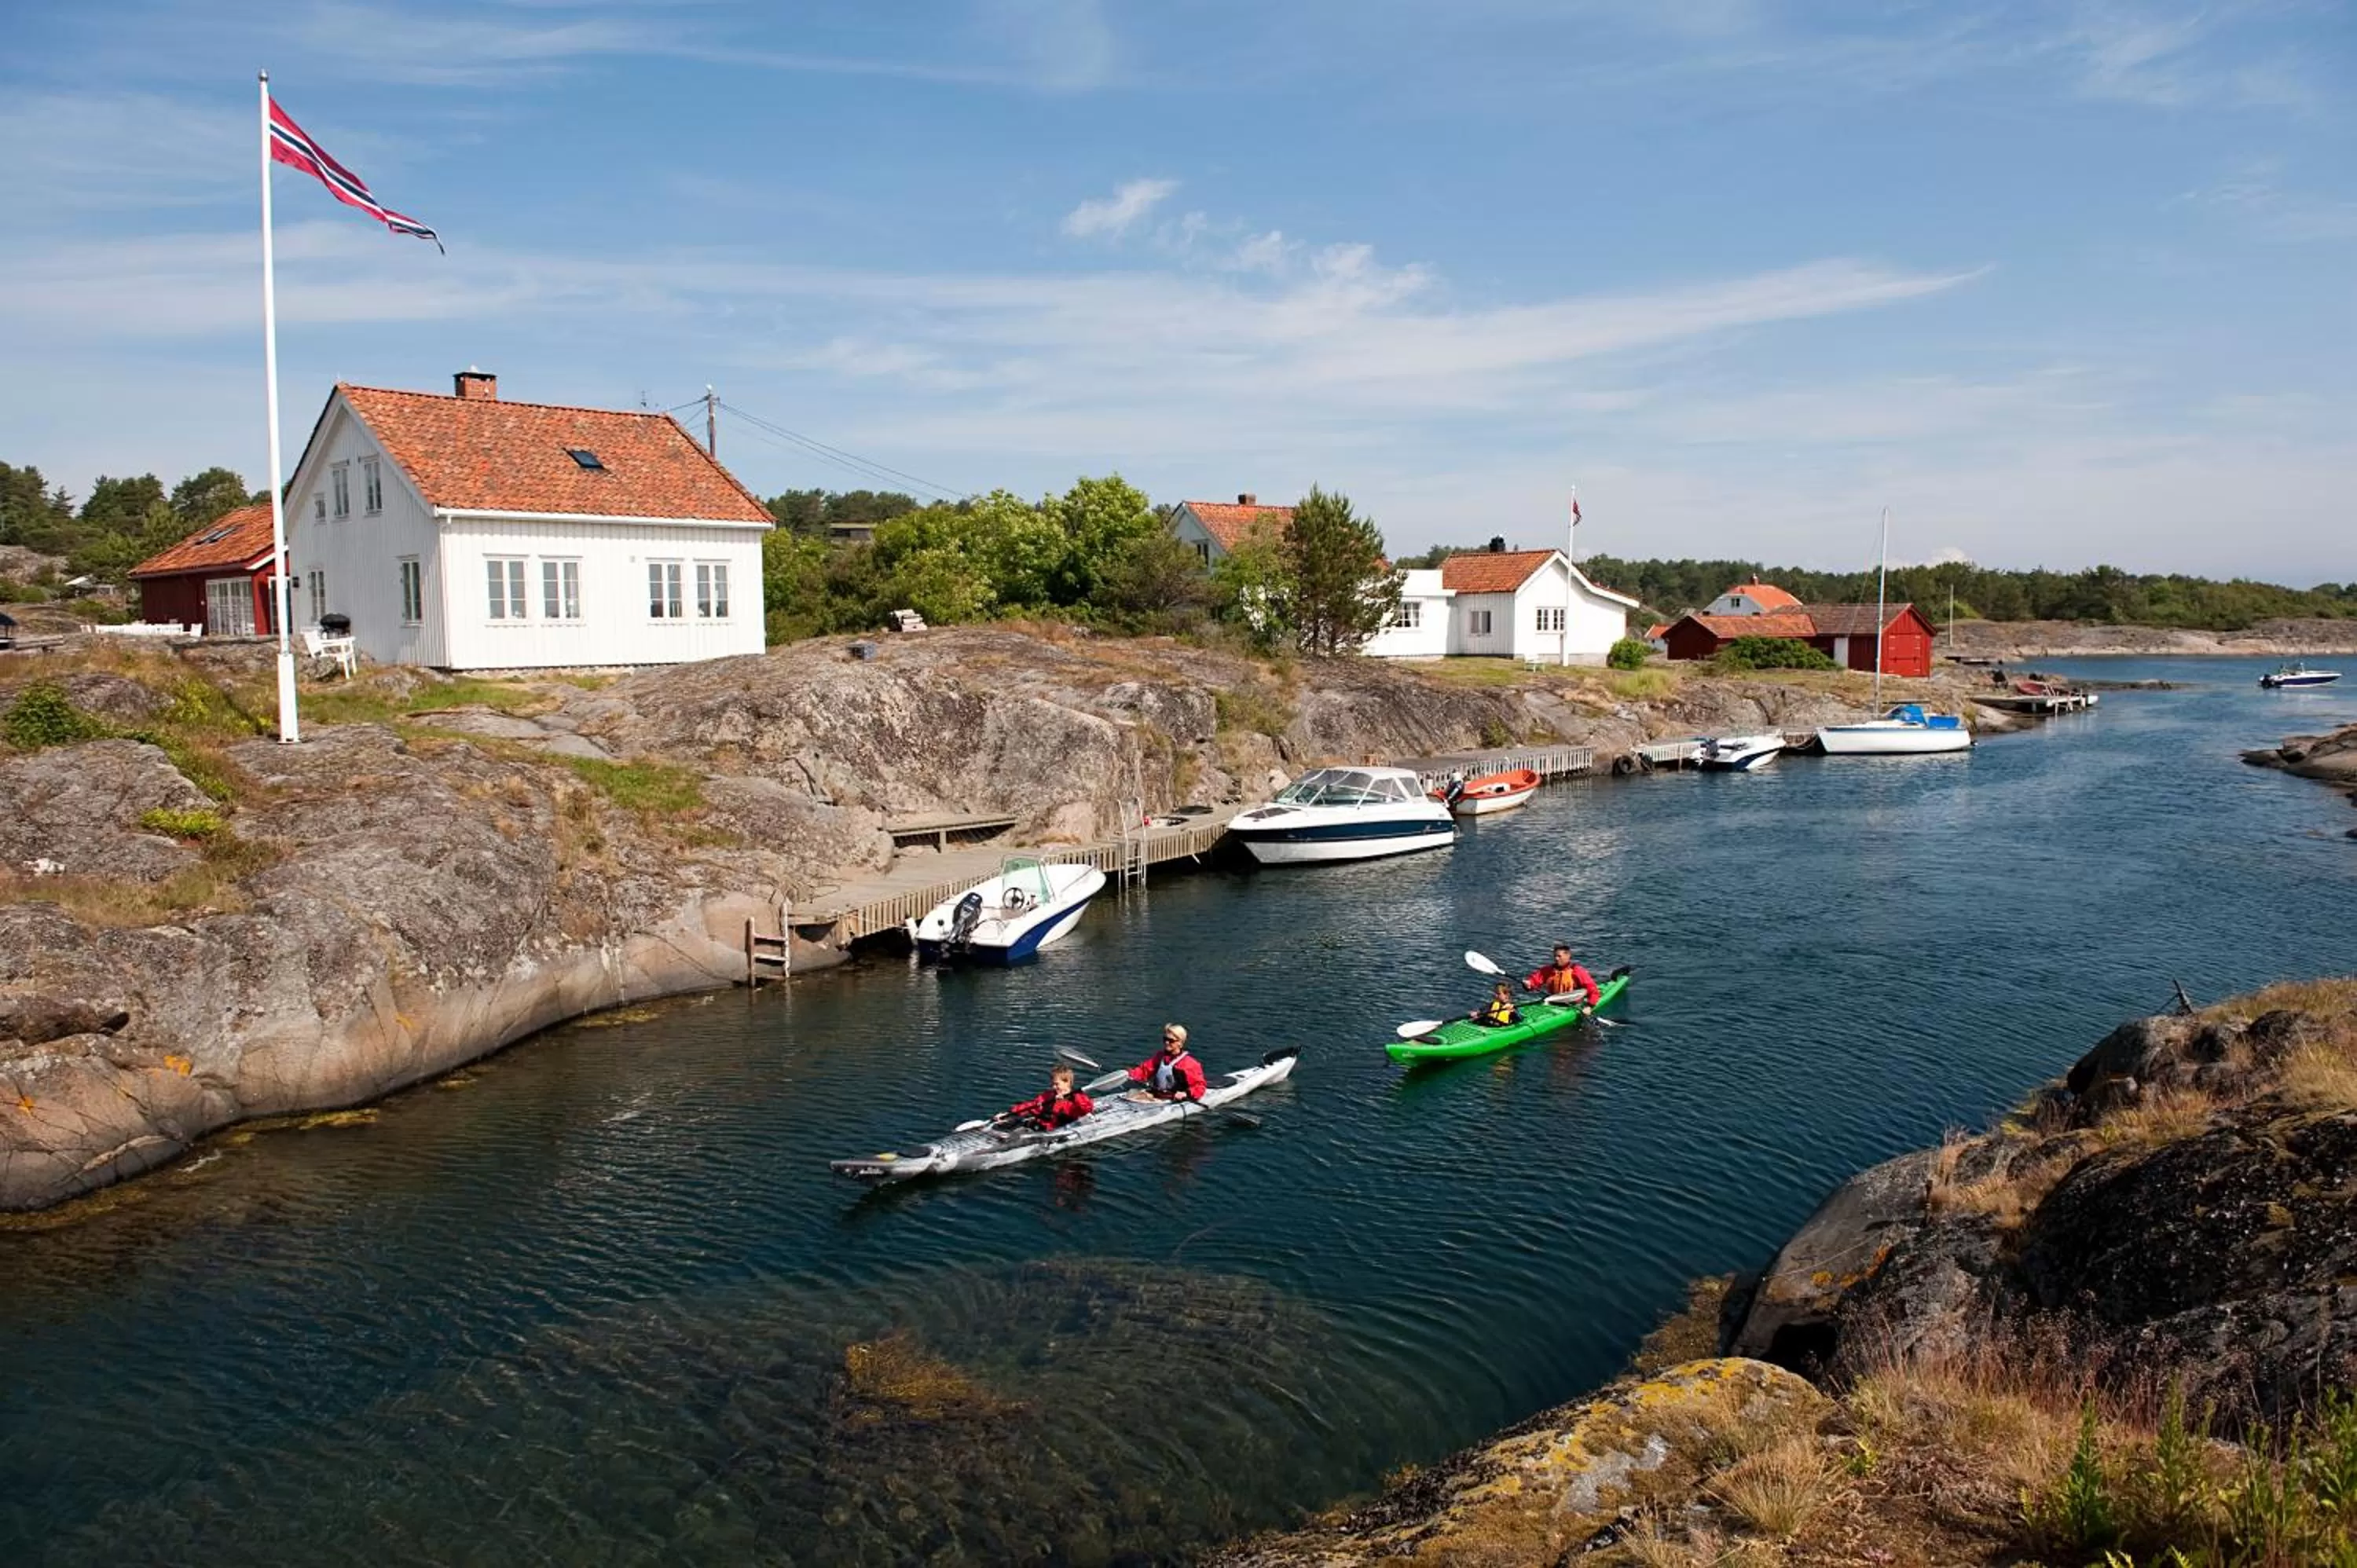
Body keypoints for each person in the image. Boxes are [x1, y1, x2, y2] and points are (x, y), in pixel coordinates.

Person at [1003, 1063, 1094, 1131]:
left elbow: (1086, 1108)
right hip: (1039, 1125)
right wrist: (1009, 1113)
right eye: (1053, 1084)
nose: (1054, 1087)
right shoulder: (1049, 1095)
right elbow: (1032, 1106)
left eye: (1057, 1084)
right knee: (1015, 1122)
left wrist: (1074, 1097)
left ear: (1067, 1082)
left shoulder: (1077, 1098)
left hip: (1055, 1129)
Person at [1128, 1024, 1207, 1101]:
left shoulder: (1189, 1064)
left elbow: (1200, 1086)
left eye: (1171, 1041)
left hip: (1175, 1099)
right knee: (1131, 1095)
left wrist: (1186, 1094)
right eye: (1165, 1039)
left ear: (1180, 1043)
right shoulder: (1160, 1057)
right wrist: (1129, 1074)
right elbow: (1144, 1070)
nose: (1166, 1043)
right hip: (1157, 1094)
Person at [1523, 944, 1601, 1007]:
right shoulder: (1548, 970)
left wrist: (1589, 1006)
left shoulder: (1578, 971)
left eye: (1559, 956)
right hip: (1553, 1002)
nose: (1556, 959)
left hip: (1573, 1005)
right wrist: (1529, 984)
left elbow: (1593, 990)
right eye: (1555, 956)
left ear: (1568, 956)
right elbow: (1535, 980)